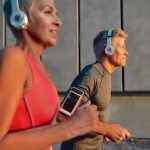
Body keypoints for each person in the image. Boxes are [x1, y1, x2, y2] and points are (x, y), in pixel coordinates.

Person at [0, 0, 128, 150]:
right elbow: (65, 115)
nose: (58, 22)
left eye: (57, 14)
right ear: (20, 17)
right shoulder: (14, 57)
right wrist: (75, 127)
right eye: (48, 12)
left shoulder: (39, 69)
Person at [60, 28, 130, 150]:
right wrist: (107, 129)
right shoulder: (91, 75)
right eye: (122, 46)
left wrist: (104, 132)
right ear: (107, 49)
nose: (126, 52)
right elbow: (64, 114)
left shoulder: (103, 75)